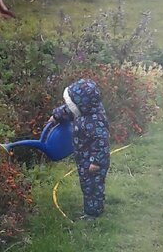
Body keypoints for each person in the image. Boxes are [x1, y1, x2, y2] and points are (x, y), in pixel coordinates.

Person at [48, 78, 111, 220]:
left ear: (82, 103)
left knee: (93, 188)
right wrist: (56, 116)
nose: (71, 106)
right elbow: (68, 110)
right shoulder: (83, 110)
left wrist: (96, 162)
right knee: (86, 185)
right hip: (84, 158)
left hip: (94, 163)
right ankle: (93, 208)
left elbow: (101, 143)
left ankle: (93, 213)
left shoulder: (96, 121)